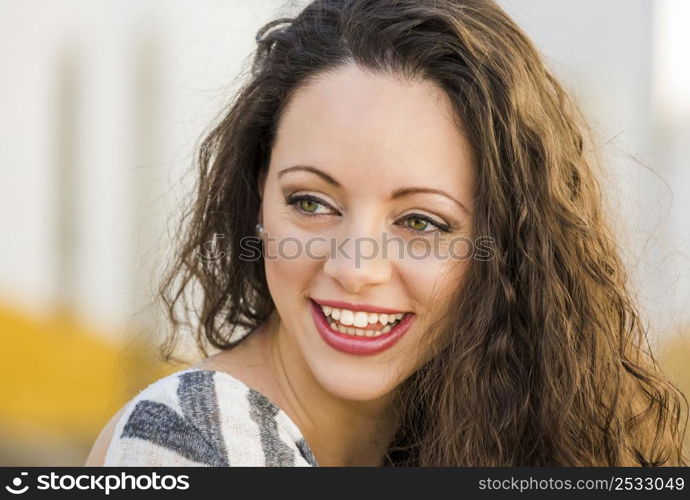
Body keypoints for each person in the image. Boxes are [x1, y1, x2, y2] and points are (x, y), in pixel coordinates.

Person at [86, 0, 688, 466]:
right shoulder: (194, 434)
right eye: (312, 202)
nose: (356, 266)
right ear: (257, 197)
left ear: (507, 249)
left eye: (421, 222)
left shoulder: (480, 426)